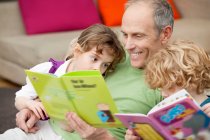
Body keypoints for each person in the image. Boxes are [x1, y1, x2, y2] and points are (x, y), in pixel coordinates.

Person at [12, 0, 174, 139]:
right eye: (125, 34)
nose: (128, 45)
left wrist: (102, 138)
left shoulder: (173, 80)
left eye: (138, 36)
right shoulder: (113, 55)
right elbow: (68, 77)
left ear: (165, 34)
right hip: (41, 130)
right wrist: (33, 107)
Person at [0, 23, 125, 139]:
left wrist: (103, 112)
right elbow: (20, 98)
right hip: (35, 131)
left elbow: (105, 119)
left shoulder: (99, 83)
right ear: (77, 52)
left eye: (105, 65)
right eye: (94, 59)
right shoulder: (49, 69)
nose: (98, 69)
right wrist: (30, 104)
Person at [125, 40, 210, 140]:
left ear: (192, 81)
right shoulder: (165, 111)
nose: (163, 94)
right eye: (160, 88)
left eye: (169, 87)